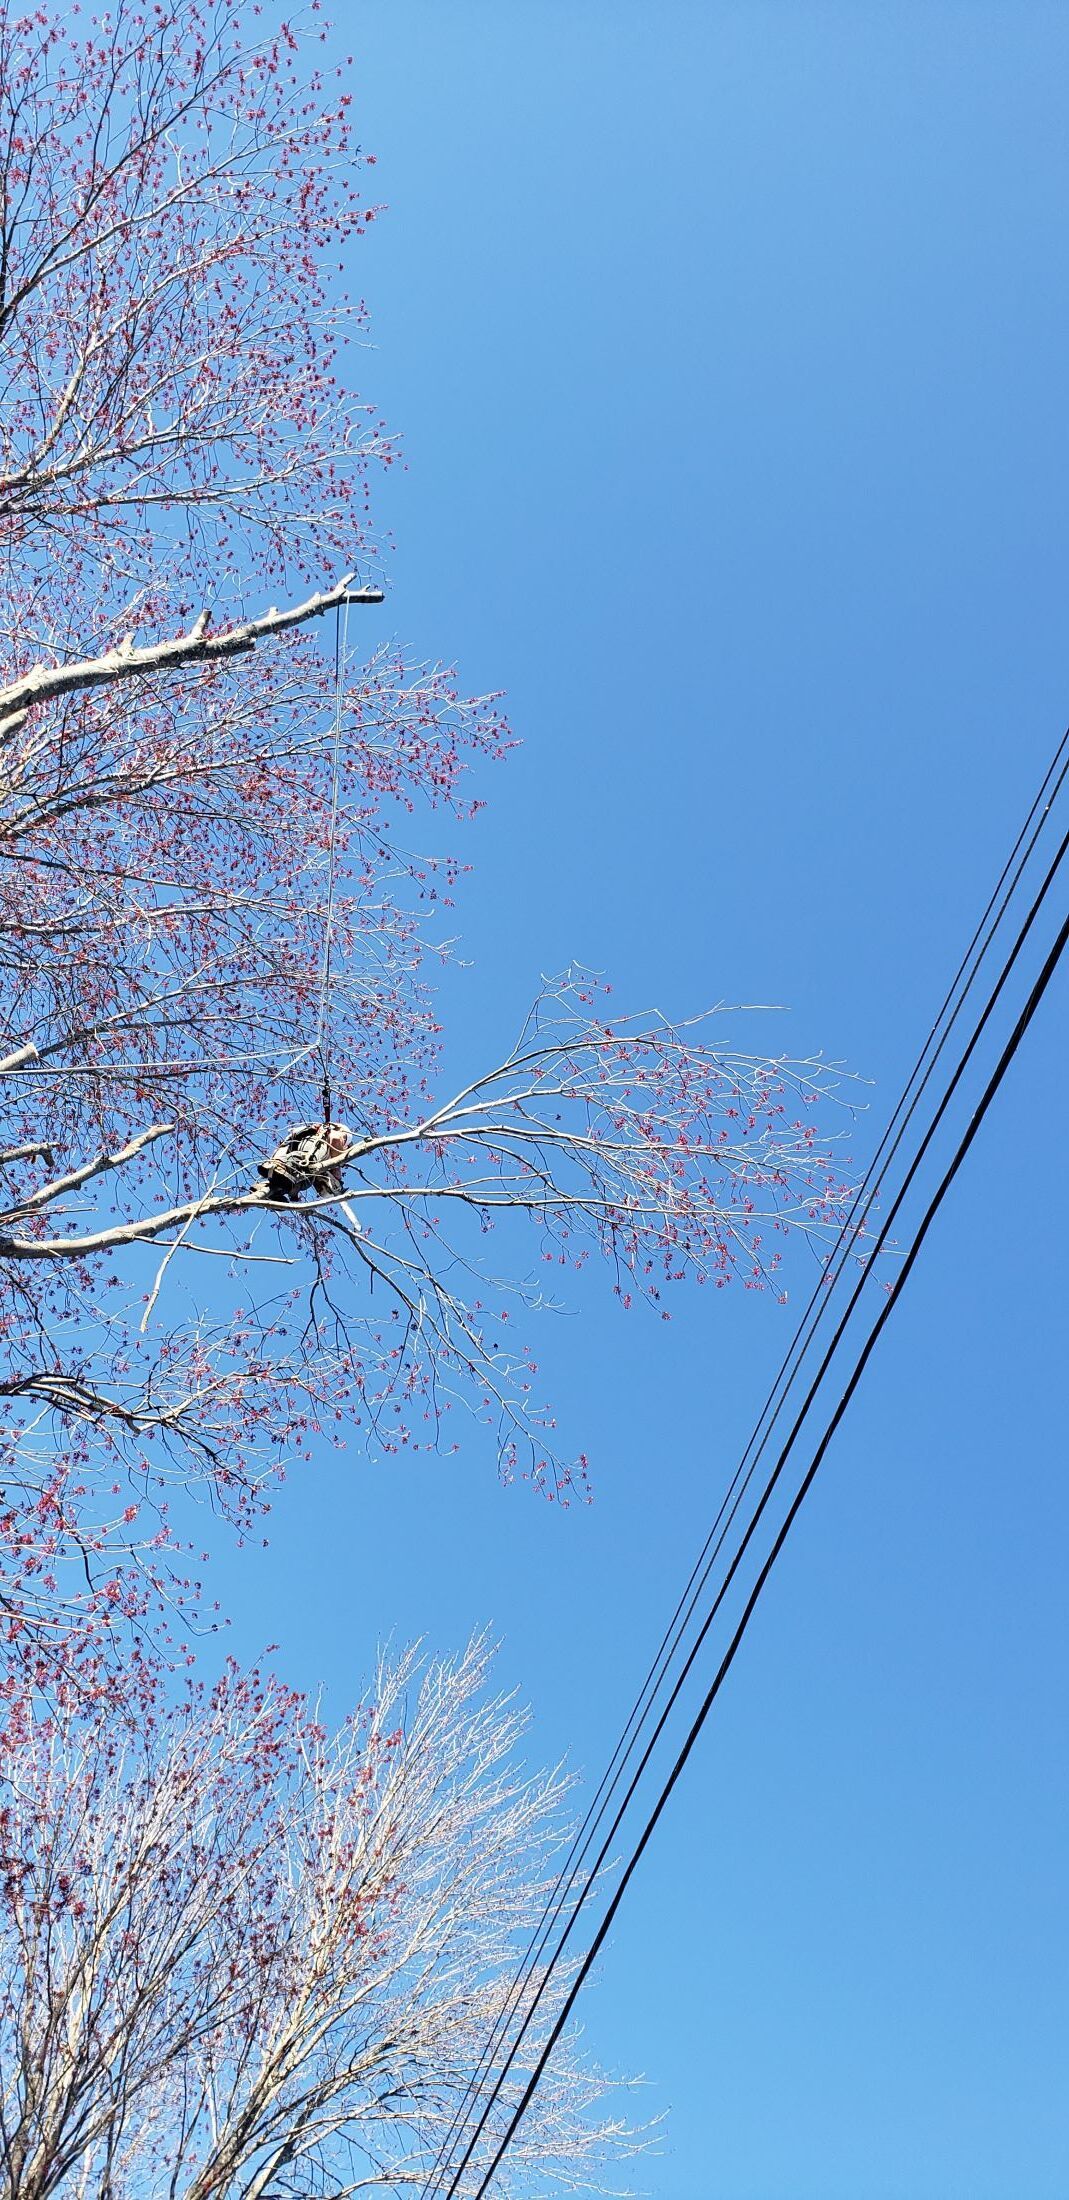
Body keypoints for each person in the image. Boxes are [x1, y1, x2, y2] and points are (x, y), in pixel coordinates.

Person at [257, 1121, 354, 1202]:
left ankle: (270, 1190)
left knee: (300, 1180)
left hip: (289, 1156)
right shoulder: (337, 1133)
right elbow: (336, 1139)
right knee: (303, 1161)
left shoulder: (306, 1132)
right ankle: (278, 1180)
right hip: (309, 1151)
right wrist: (338, 1164)